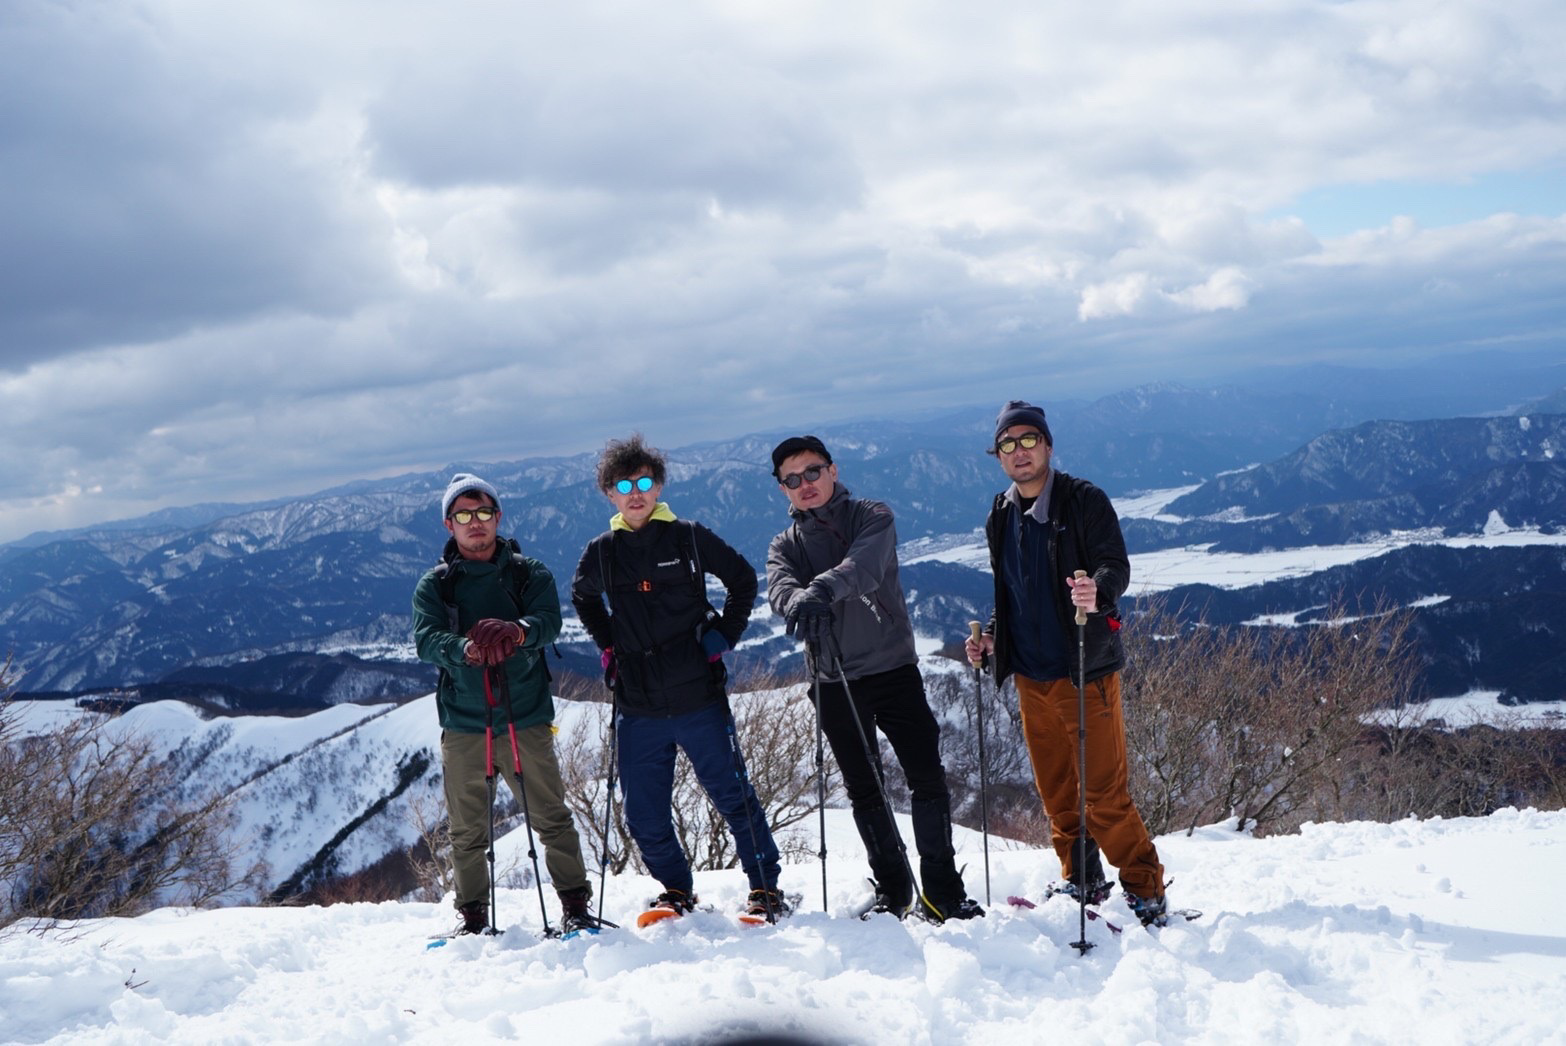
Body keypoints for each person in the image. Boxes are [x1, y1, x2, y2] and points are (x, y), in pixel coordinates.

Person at [963, 400, 1170, 926]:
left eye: (1028, 440)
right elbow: (1009, 591)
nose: (1019, 451)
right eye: (1007, 445)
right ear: (999, 456)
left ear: (1048, 446)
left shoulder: (1083, 501)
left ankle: (1146, 888)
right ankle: (1082, 877)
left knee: (1104, 796)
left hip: (1085, 674)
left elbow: (1114, 567)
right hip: (1031, 678)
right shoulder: (1001, 513)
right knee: (1058, 793)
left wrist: (1095, 591)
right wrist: (990, 636)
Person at [570, 435, 790, 924]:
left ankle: (765, 890)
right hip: (638, 703)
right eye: (624, 484)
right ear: (609, 493)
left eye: (644, 482)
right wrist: (609, 644)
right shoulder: (602, 553)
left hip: (697, 695)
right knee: (643, 814)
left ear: (659, 486)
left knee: (733, 796)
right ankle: (675, 890)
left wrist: (724, 636)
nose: (635, 492)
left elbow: (743, 581)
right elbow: (582, 597)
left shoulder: (688, 537)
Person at [765, 435, 981, 922]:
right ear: (783, 490)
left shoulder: (872, 515)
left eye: (813, 472)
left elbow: (863, 567)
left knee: (926, 778)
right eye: (792, 480)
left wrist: (817, 590)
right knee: (865, 789)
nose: (805, 485)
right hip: (833, 679)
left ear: (833, 470)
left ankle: (942, 891)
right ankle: (894, 890)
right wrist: (798, 600)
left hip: (893, 668)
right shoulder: (786, 545)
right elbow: (779, 585)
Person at [412, 472, 600, 937]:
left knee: (550, 816)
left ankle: (575, 906)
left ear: (497, 517)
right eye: (463, 515)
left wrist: (516, 631)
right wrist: (466, 650)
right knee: (466, 829)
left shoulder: (527, 573)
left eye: (482, 513)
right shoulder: (435, 585)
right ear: (448, 524)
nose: (474, 523)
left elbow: (548, 622)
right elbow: (426, 640)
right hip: (465, 720)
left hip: (525, 714)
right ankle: (472, 915)